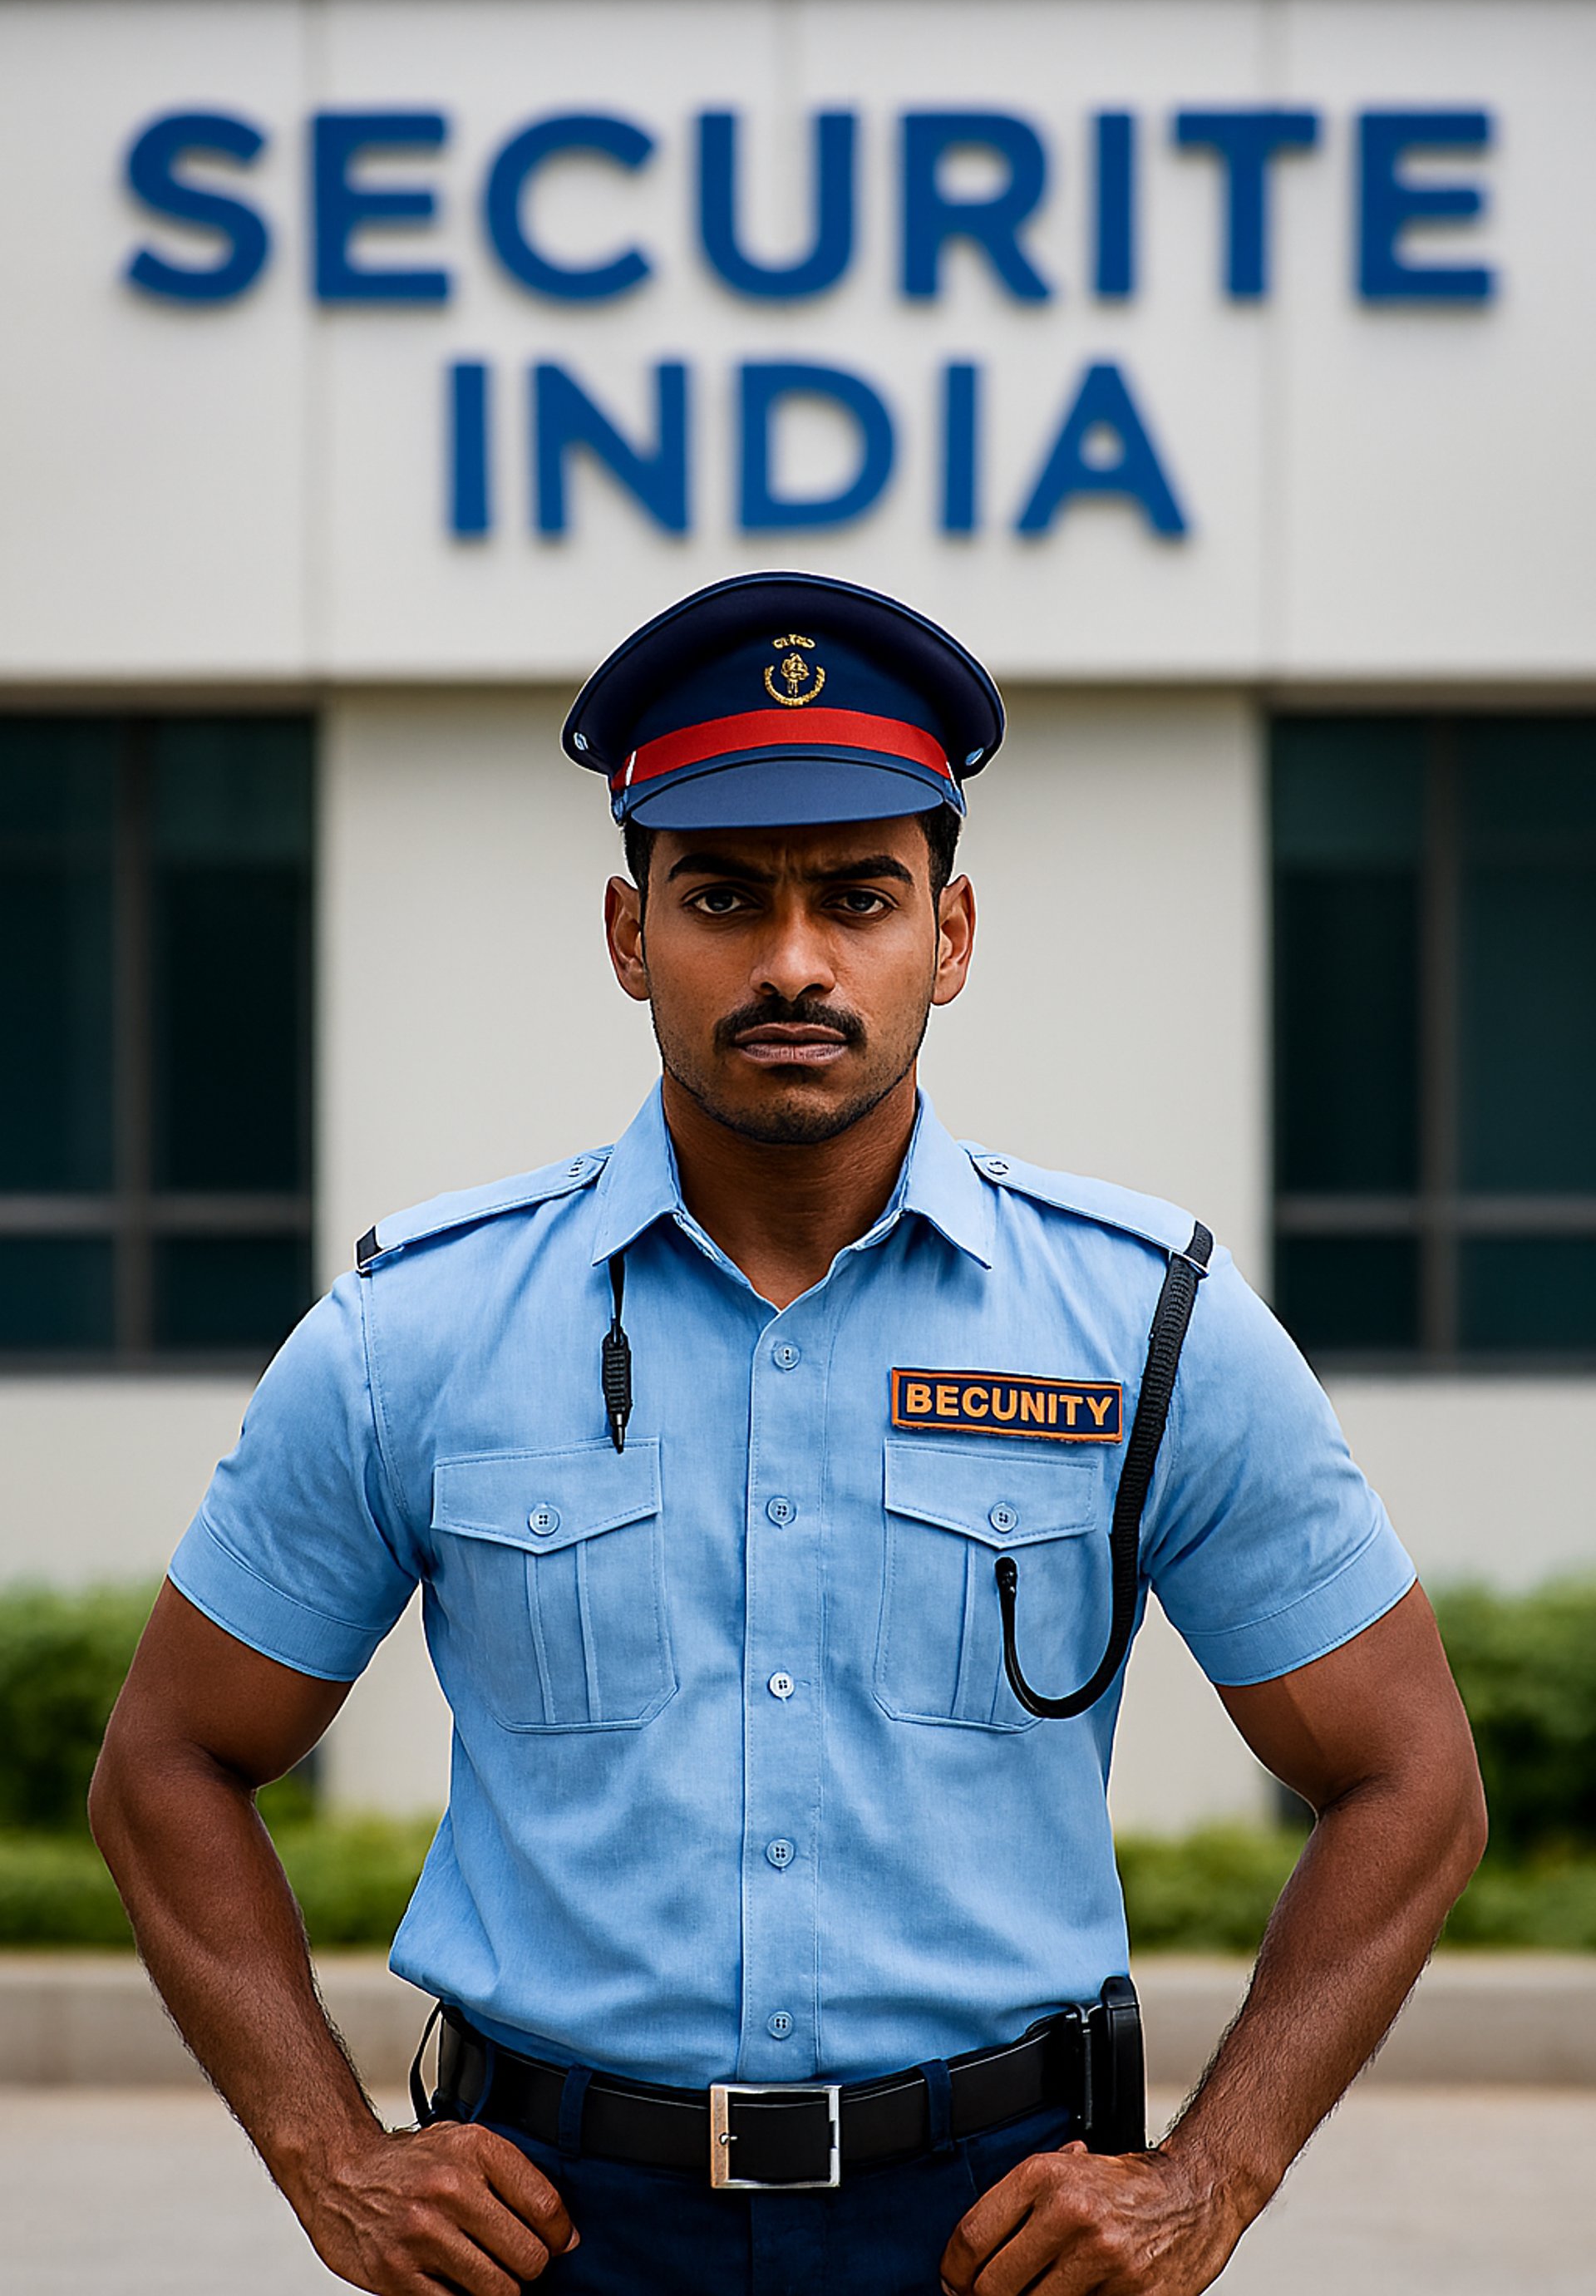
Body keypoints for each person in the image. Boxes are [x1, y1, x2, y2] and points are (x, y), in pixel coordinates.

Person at [91, 571, 1485, 2296]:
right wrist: (330, 2160)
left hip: (987, 2239)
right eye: (725, 896)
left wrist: (1210, 2181)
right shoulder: (419, 1332)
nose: (794, 961)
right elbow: (167, 1761)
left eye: (858, 896)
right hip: (554, 2239)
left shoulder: (1143, 1327)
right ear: (631, 934)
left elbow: (1411, 1778)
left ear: (949, 936)